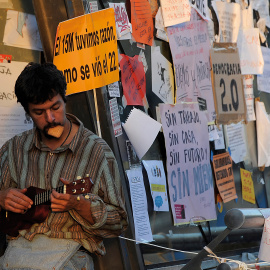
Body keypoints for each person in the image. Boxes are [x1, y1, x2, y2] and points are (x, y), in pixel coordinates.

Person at [0, 62, 128, 270]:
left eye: (55, 107)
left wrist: (80, 205)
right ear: (28, 113)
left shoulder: (96, 151)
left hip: (71, 256)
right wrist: (2, 197)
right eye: (39, 112)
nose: (50, 118)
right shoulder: (14, 149)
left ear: (64, 99)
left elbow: (120, 223)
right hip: (18, 253)